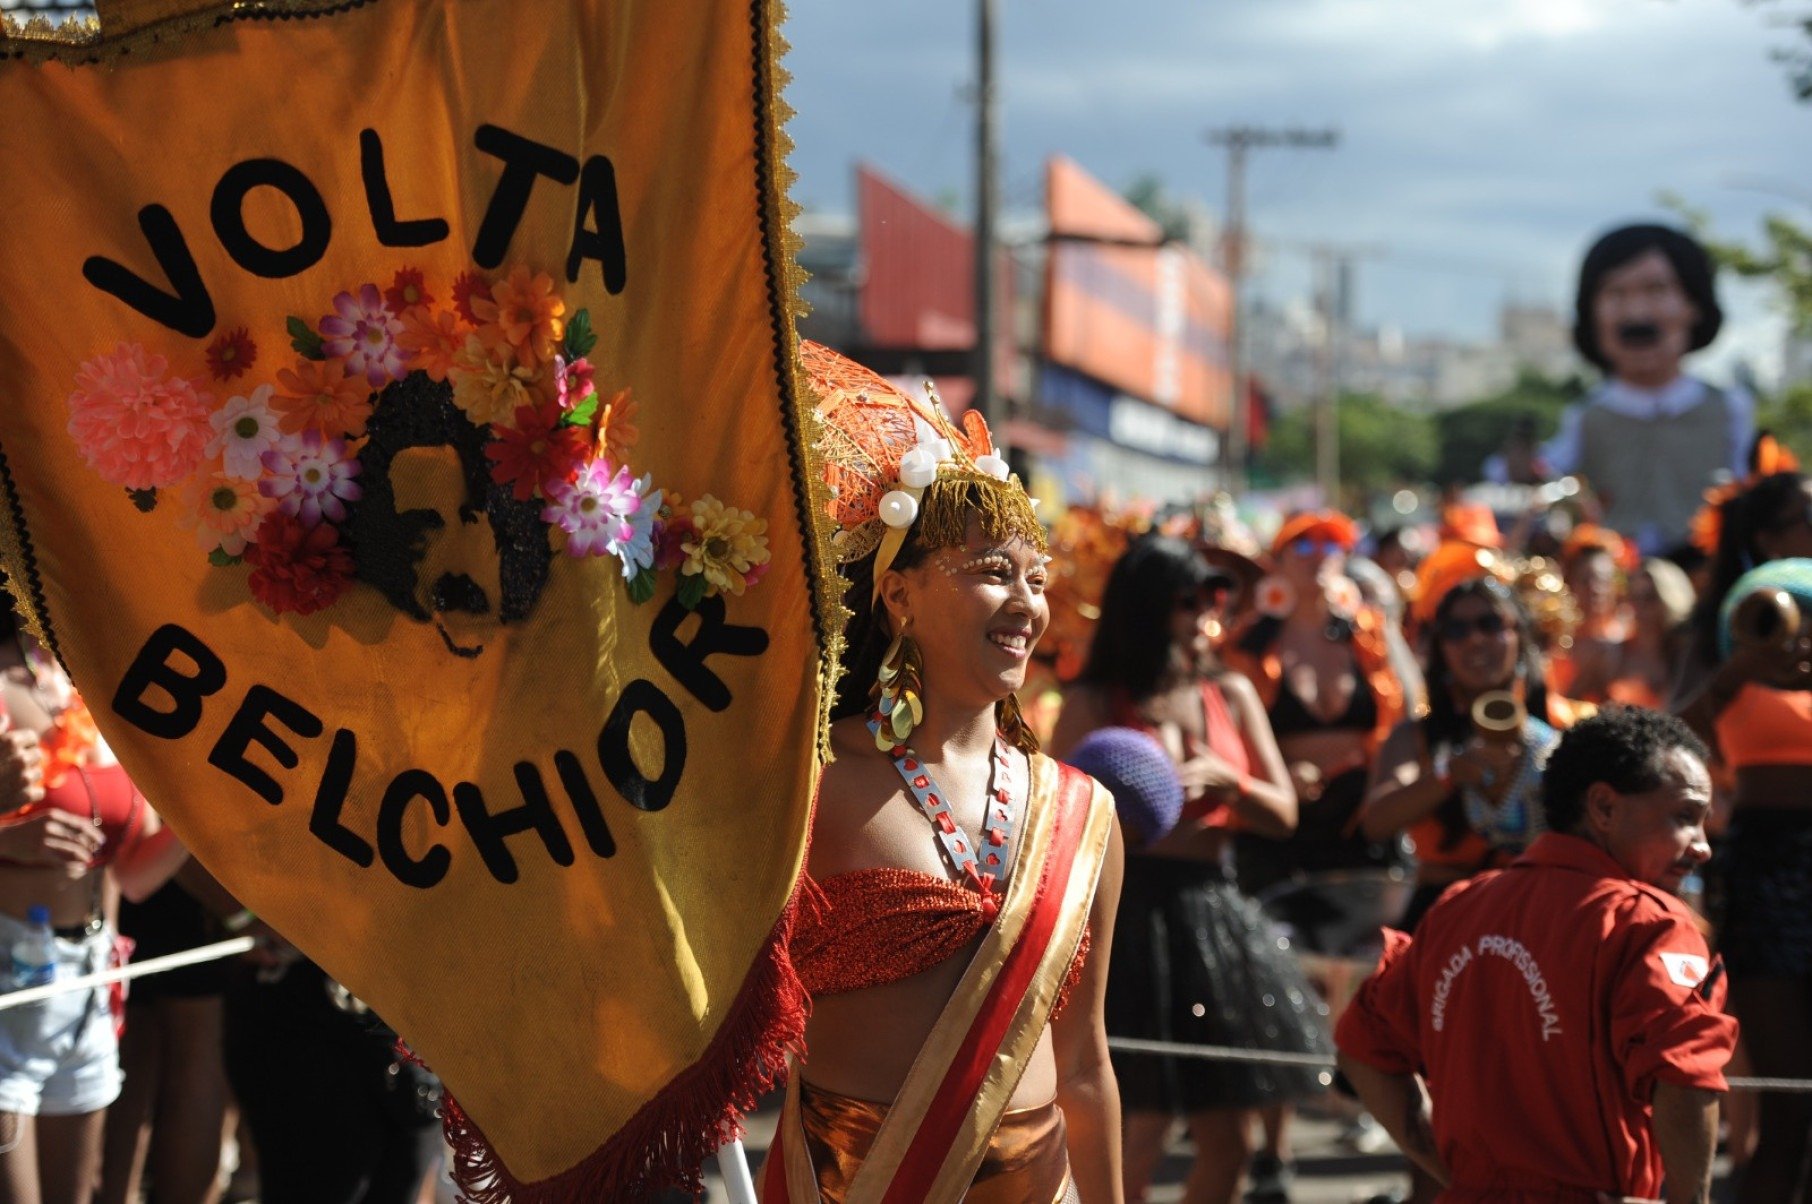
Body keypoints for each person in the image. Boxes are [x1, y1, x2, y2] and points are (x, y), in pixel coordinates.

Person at [764, 344, 1123, 1203]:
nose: (1028, 604)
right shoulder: (808, 781)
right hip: (855, 1183)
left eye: (1036, 578)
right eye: (993, 573)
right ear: (899, 597)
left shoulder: (1081, 811)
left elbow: (1082, 1063)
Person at [1336, 707, 1737, 1203]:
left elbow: (1361, 1050)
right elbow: (1686, 1074)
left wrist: (1447, 1168)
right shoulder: (1649, 924)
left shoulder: (1459, 908)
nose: (1702, 847)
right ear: (1604, 807)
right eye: (1684, 817)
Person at [1052, 537, 1326, 1204]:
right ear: (1146, 606)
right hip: (1125, 913)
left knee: (1228, 1145)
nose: (1207, 610)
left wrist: (1231, 784)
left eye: (1215, 596)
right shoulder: (1091, 699)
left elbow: (1284, 811)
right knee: (1136, 1131)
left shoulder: (1229, 691)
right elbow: (1058, 816)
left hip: (1211, 913)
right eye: (1189, 597)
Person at [0, 604, 189, 1204]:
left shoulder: (104, 681)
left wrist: (208, 821)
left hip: (93, 982)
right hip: (8, 989)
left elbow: (133, 876)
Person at [1672, 473, 1812, 1202]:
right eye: (1807, 519)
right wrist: (1740, 670)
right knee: (1788, 1111)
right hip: (1768, 864)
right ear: (1766, 538)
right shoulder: (1727, 626)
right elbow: (1668, 745)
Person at [1362, 577, 1578, 933]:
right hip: (1446, 914)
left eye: (1490, 624)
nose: (1475, 639)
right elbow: (1376, 821)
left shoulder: (1564, 726)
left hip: (1543, 912)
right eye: (1456, 630)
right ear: (1441, 649)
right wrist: (1450, 774)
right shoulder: (1414, 736)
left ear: (1520, 636)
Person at [1545, 223, 1752, 556]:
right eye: (1616, 293)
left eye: (1656, 290)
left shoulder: (1731, 410)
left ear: (1693, 305)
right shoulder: (1585, 417)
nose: (1636, 312)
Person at [1568, 558, 1694, 708]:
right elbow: (1572, 703)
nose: (1640, 608)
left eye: (1649, 598)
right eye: (1635, 598)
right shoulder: (1612, 657)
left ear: (1669, 599)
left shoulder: (1688, 655)